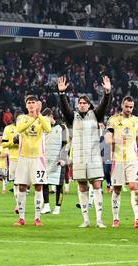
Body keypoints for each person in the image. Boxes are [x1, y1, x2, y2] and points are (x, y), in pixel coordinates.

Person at [57, 75, 111, 228]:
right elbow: (64, 108)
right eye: (80, 103)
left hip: (94, 156)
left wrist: (107, 93)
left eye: (84, 103)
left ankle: (99, 219)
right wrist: (62, 94)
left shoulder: (96, 115)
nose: (81, 105)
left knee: (97, 185)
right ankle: (86, 220)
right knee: (82, 186)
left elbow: (104, 105)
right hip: (79, 156)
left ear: (89, 105)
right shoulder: (72, 117)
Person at [105, 96, 138, 228]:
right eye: (127, 106)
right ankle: (116, 219)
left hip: (132, 159)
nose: (129, 109)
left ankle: (137, 219)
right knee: (116, 189)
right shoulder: (113, 120)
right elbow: (107, 139)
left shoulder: (136, 121)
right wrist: (116, 140)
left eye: (131, 107)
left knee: (134, 187)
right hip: (117, 160)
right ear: (122, 105)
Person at [13, 96, 51, 226]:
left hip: (38, 158)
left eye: (33, 102)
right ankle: (22, 218)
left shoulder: (43, 118)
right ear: (26, 105)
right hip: (23, 157)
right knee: (22, 186)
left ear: (37, 105)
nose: (31, 105)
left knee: (38, 186)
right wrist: (33, 119)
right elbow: (19, 130)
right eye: (29, 103)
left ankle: (37, 218)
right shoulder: (21, 118)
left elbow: (48, 129)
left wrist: (38, 116)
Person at [42, 109, 69, 215]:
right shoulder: (44, 128)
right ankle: (47, 206)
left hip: (58, 160)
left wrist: (63, 158)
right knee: (44, 183)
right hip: (45, 160)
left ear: (51, 116)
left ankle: (57, 207)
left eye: (46, 119)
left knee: (58, 185)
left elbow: (66, 144)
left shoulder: (62, 127)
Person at [2, 110, 23, 213]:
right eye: (18, 118)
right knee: (15, 183)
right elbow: (4, 144)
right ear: (15, 118)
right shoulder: (8, 128)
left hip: (25, 158)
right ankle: (18, 204)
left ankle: (21, 204)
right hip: (14, 159)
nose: (20, 120)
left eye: (22, 118)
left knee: (23, 183)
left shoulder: (26, 129)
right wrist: (13, 142)